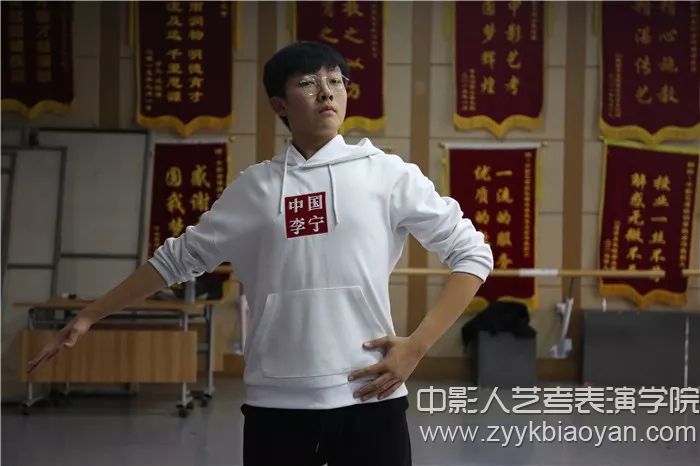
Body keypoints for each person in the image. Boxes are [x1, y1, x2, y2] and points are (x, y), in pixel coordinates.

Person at [28, 41, 493, 466]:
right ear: (279, 105)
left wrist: (417, 346)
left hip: (370, 395)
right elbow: (174, 260)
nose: (326, 92)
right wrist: (89, 315)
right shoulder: (254, 188)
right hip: (277, 404)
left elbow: (472, 253)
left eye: (336, 81)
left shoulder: (388, 175)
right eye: (308, 83)